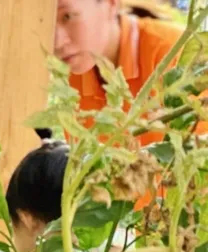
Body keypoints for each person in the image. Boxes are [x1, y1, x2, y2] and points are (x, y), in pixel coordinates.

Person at [54, 0, 192, 147]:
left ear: (111, 4)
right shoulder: (76, 70)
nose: (57, 42)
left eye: (67, 16)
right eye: (46, 23)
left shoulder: (178, 55)